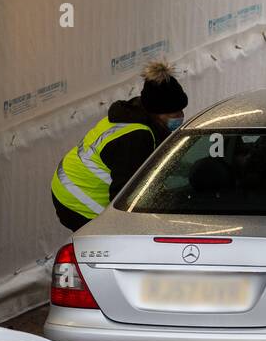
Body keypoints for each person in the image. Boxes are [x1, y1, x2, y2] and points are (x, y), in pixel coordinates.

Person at [50, 60, 187, 231]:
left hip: (70, 185)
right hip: (78, 198)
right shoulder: (136, 137)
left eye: (181, 110)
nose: (180, 116)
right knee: (115, 236)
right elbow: (125, 194)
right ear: (157, 113)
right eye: (174, 113)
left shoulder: (139, 115)